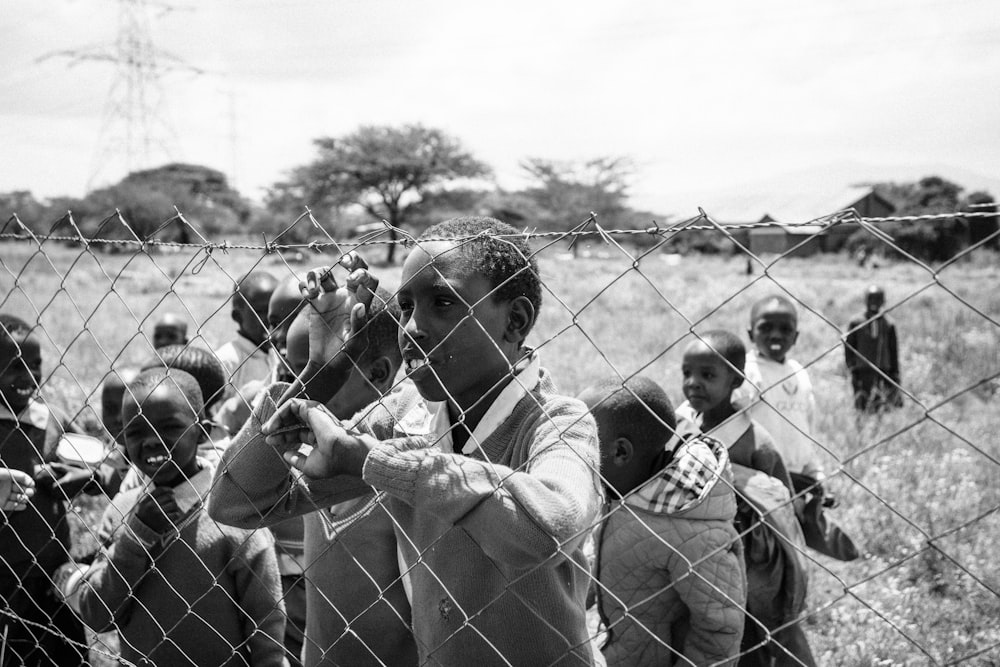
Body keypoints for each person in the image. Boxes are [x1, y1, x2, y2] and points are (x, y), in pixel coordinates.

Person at [216, 216, 604, 665]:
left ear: (514, 320)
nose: (412, 328)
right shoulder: (404, 418)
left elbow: (549, 531)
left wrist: (385, 463)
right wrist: (317, 380)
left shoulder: (555, 422)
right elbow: (236, 503)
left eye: (442, 302)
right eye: (404, 306)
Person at [210, 293, 418, 667]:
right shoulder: (307, 449)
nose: (301, 393)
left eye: (323, 373)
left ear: (378, 374)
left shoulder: (403, 452)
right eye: (294, 376)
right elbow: (229, 503)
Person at [73, 368, 287, 666]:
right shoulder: (121, 510)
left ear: (202, 430)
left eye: (169, 427)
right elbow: (97, 615)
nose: (150, 441)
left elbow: (267, 626)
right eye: (135, 432)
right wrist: (136, 537)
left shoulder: (234, 514)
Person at [580, 376, 745, 667]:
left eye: (582, 443)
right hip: (624, 649)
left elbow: (719, 629)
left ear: (620, 453)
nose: (573, 454)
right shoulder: (623, 487)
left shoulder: (693, 529)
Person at [675, 330, 814, 667]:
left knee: (753, 632)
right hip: (692, 551)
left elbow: (782, 502)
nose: (693, 383)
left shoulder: (754, 442)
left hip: (748, 559)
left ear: (736, 380)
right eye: (687, 373)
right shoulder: (683, 427)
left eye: (707, 375)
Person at [0, 314, 88, 666]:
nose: (27, 377)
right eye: (13, 367)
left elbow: (91, 460)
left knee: (67, 652)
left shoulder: (50, 417)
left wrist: (78, 476)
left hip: (53, 567)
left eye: (34, 366)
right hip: (5, 573)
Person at [736, 295, 828, 481]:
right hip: (759, 475)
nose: (776, 335)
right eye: (766, 328)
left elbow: (806, 427)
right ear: (750, 333)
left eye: (785, 329)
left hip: (797, 473)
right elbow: (732, 421)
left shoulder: (798, 372)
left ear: (796, 336)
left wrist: (814, 470)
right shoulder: (747, 371)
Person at [214, 271, 279, 433]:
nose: (270, 319)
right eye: (261, 312)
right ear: (238, 316)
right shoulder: (227, 360)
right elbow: (214, 417)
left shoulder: (277, 355)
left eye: (275, 311)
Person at [845, 286, 901, 413]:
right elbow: (849, 347)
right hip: (863, 371)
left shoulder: (888, 324)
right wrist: (852, 368)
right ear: (865, 300)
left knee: (881, 406)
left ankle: (878, 431)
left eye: (878, 299)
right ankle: (862, 430)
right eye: (871, 298)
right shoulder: (856, 322)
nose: (874, 302)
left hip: (883, 371)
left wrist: (895, 375)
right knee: (862, 405)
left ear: (883, 301)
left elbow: (893, 352)